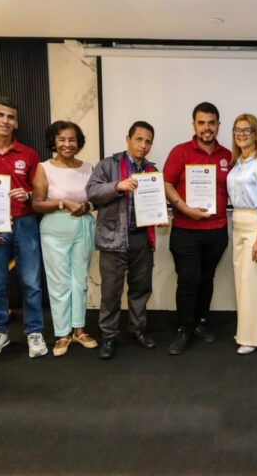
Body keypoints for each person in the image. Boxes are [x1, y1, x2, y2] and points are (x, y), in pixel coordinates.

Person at [0, 97, 48, 360]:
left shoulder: (28, 154)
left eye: (10, 117)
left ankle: (34, 332)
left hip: (25, 223)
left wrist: (27, 194)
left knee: (31, 282)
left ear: (16, 123)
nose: (5, 121)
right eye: (0, 115)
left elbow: (39, 193)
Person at [86, 121, 160, 359]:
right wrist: (118, 185)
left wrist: (158, 215)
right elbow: (92, 192)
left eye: (148, 141)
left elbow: (156, 202)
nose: (143, 145)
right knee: (111, 292)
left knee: (141, 289)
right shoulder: (108, 165)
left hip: (141, 239)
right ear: (128, 139)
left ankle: (138, 330)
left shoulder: (151, 170)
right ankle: (109, 336)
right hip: (113, 238)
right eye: (139, 139)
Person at [163, 102, 232, 355]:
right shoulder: (180, 152)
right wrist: (184, 208)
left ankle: (201, 321)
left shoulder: (228, 155)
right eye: (201, 122)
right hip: (186, 230)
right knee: (188, 279)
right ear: (194, 124)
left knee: (206, 278)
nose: (207, 128)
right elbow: (166, 184)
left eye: (211, 123)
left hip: (217, 230)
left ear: (218, 125)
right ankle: (184, 327)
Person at [32, 121, 96, 357]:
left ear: (79, 143)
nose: (67, 144)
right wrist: (63, 203)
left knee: (79, 281)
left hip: (83, 228)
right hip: (54, 231)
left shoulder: (88, 168)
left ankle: (79, 330)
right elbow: (37, 204)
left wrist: (87, 206)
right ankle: (62, 334)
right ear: (54, 142)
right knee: (59, 283)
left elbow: (95, 199)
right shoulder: (44, 168)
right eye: (61, 139)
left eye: (72, 140)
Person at [226, 113, 257, 355]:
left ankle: (255, 338)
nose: (241, 134)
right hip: (237, 223)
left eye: (247, 130)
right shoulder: (238, 162)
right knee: (242, 282)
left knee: (255, 282)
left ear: (256, 134)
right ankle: (245, 332)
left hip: (256, 225)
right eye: (237, 130)